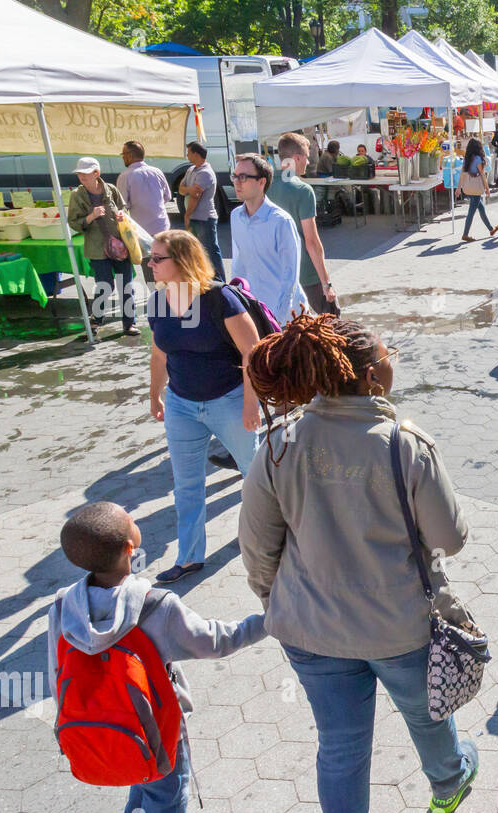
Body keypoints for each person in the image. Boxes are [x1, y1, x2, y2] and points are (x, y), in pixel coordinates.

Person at [238, 314, 479, 813]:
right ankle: (449, 781)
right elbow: (449, 538)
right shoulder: (405, 444)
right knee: (426, 714)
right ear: (373, 376)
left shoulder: (280, 441)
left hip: (310, 632)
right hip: (399, 628)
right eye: (389, 353)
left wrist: (280, 601)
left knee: (341, 748)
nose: (394, 358)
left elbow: (257, 548)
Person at [48, 501, 267, 813]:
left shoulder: (60, 607)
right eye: (131, 520)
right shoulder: (156, 607)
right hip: (158, 726)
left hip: (104, 725)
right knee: (167, 794)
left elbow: (57, 673)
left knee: (143, 774)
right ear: (130, 548)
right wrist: (270, 619)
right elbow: (216, 642)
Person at [147, 229, 261, 583]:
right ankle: (189, 557)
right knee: (186, 484)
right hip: (182, 404)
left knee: (254, 476)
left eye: (156, 259)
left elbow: (252, 353)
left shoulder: (219, 299)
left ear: (181, 261)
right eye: (149, 258)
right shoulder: (157, 302)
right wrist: (155, 393)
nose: (149, 265)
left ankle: (267, 541)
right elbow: (159, 352)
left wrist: (249, 404)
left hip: (228, 400)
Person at [269, 132, 339, 318]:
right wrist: (326, 284)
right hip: (306, 273)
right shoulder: (303, 190)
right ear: (297, 158)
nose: (308, 163)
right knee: (332, 325)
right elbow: (312, 242)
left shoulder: (264, 185)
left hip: (276, 271)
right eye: (306, 157)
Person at [229, 153, 305, 326]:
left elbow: (290, 276)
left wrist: (279, 317)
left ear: (262, 182)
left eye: (243, 177)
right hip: (255, 312)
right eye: (235, 176)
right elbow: (238, 266)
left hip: (286, 319)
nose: (236, 182)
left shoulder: (281, 221)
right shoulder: (236, 216)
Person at [68, 156, 137, 335]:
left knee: (126, 285)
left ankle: (130, 323)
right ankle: (96, 320)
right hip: (97, 248)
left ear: (96, 173)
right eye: (80, 174)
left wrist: (122, 215)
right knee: (105, 284)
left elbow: (123, 208)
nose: (82, 177)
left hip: (120, 245)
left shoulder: (111, 189)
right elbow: (74, 223)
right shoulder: (77, 195)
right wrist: (91, 216)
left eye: (85, 174)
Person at [179, 141, 224, 281]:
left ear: (196, 154)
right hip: (195, 217)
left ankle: (220, 282)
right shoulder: (191, 170)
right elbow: (181, 189)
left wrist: (187, 215)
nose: (187, 155)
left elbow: (195, 196)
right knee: (198, 251)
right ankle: (205, 279)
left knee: (210, 251)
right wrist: (188, 189)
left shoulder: (205, 173)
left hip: (204, 218)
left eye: (189, 152)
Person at [116, 140, 171, 245]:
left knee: (149, 261)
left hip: (142, 231)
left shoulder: (125, 176)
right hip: (162, 226)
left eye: (123, 154)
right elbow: (167, 196)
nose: (122, 157)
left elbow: (122, 206)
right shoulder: (157, 171)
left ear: (129, 156)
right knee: (165, 259)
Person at [458, 136, 498, 243]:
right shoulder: (478, 159)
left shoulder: (466, 159)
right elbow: (482, 175)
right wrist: (487, 188)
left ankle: (491, 229)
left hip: (468, 187)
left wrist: (459, 188)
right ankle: (465, 234)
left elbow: (462, 175)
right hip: (476, 188)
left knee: (481, 208)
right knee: (471, 212)